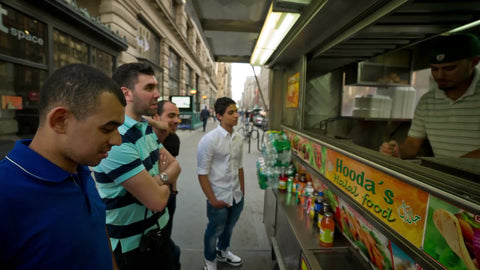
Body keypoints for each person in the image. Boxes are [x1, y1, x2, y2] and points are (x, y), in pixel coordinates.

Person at [0, 64, 126, 269]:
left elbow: (99, 238)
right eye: (107, 129)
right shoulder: (5, 193)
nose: (117, 140)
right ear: (61, 121)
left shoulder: (81, 172)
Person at [92, 63, 181, 270]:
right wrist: (164, 178)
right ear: (126, 93)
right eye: (149, 88)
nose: (157, 94)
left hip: (158, 234)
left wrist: (156, 181)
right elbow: (157, 201)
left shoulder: (144, 127)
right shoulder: (117, 138)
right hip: (132, 247)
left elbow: (176, 165)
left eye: (156, 87)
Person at [380, 33, 480, 159]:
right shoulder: (427, 101)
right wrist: (396, 152)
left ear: (474, 62)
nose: (440, 76)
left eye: (449, 69)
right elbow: (411, 145)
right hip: (444, 176)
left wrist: (456, 165)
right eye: (434, 69)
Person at [197, 97, 244, 270]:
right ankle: (210, 260)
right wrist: (213, 200)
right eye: (230, 113)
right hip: (218, 195)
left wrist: (242, 193)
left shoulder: (238, 138)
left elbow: (240, 167)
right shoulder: (209, 140)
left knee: (229, 228)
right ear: (219, 116)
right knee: (214, 230)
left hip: (236, 195)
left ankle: (223, 251)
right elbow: (202, 173)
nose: (236, 116)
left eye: (236, 111)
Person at [148, 100, 181, 238]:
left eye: (178, 116)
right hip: (146, 200)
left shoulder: (173, 140)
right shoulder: (143, 137)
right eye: (171, 116)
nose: (177, 120)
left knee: (165, 235)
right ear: (155, 117)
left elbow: (173, 169)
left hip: (168, 195)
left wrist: (173, 191)